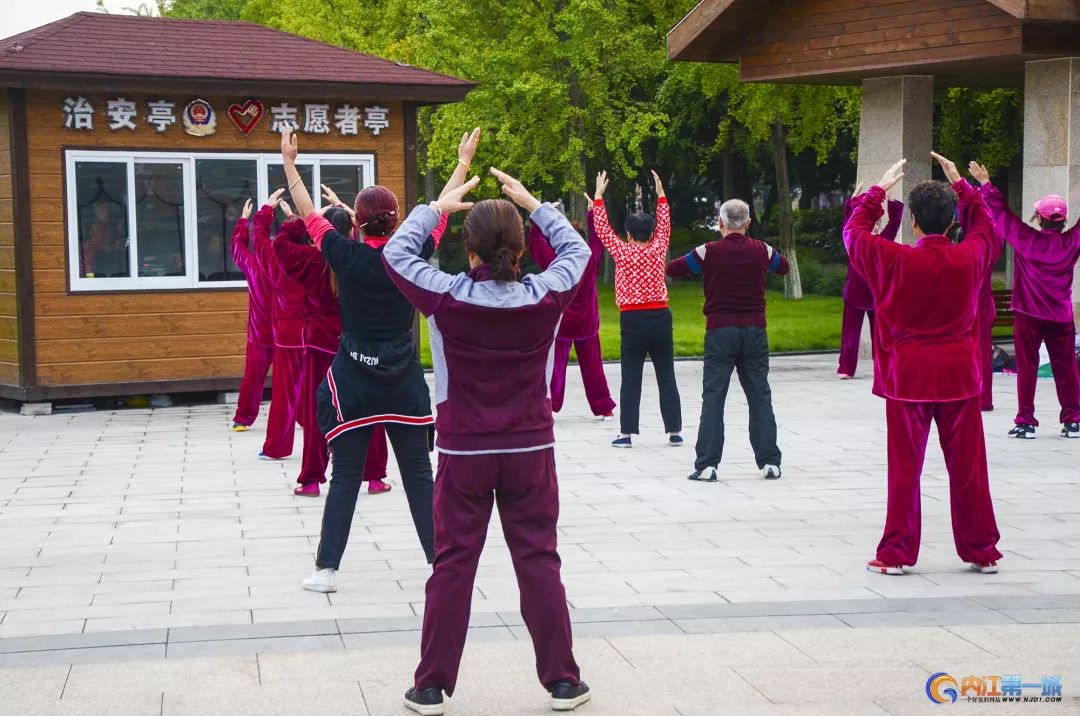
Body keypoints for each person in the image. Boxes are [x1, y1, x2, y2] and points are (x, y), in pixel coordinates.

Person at [383, 166, 591, 715]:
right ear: (522, 248)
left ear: (468, 248)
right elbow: (579, 253)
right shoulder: (544, 296)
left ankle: (430, 686)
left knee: (452, 564)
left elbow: (397, 254)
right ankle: (564, 682)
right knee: (539, 560)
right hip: (528, 450)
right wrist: (533, 203)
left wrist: (439, 205)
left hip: (464, 451)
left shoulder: (447, 297)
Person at [280, 127, 467, 590]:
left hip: (354, 378)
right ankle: (440, 564)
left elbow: (308, 216)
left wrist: (289, 164)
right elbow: (435, 218)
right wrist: (461, 163)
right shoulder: (411, 256)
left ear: (356, 223)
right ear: (397, 218)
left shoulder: (344, 255)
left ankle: (326, 570)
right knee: (420, 477)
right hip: (402, 376)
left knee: (344, 476)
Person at [844, 154, 1002, 576]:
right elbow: (988, 226)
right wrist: (965, 188)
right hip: (958, 376)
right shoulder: (969, 256)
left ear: (913, 222)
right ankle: (981, 548)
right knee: (969, 471)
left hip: (908, 377)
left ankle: (897, 552)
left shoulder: (894, 259)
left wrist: (877, 193)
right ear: (951, 223)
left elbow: (853, 234)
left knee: (904, 472)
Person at [667, 198, 789, 482]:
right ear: (748, 223)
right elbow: (782, 267)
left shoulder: (708, 251)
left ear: (720, 223)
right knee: (759, 396)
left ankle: (707, 465)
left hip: (720, 332)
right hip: (755, 332)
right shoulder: (761, 250)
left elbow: (674, 269)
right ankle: (770, 461)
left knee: (714, 397)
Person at [970, 162, 1080, 438]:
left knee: (1027, 368)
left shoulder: (1026, 239)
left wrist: (986, 183)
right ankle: (1073, 419)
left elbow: (1001, 214)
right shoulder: (1071, 243)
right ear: (1063, 221)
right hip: (1060, 316)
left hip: (1029, 315)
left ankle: (1026, 422)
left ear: (1038, 218)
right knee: (1066, 368)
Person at [592, 170, 682, 448]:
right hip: (660, 316)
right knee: (666, 373)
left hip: (631, 318)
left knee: (631, 376)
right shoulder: (658, 249)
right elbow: (665, 226)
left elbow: (602, 229)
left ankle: (627, 433)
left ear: (629, 234)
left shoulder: (622, 251)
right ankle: (674, 431)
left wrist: (598, 197)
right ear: (651, 233)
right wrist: (661, 195)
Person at [273, 203, 349, 497]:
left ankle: (312, 479)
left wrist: (303, 220)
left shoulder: (309, 260)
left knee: (317, 411)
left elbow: (279, 244)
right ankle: (373, 475)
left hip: (319, 345)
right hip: (352, 345)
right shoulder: (355, 259)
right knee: (363, 412)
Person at [527, 198, 616, 418]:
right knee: (593, 366)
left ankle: (551, 404)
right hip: (587, 321)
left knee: (556, 368)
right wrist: (592, 213)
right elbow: (598, 240)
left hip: (562, 321)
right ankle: (604, 407)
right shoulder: (590, 258)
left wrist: (541, 215)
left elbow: (536, 243)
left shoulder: (555, 261)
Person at [253, 189, 307, 460]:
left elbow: (260, 241)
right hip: (318, 335)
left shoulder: (279, 263)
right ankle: (327, 440)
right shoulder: (320, 258)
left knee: (284, 395)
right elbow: (349, 236)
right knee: (320, 390)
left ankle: (276, 447)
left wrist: (266, 211)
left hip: (287, 336)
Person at [837, 188, 903, 379]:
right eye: (872, 223)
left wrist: (892, 203)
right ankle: (846, 368)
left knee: (879, 335)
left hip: (876, 295)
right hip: (854, 293)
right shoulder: (855, 240)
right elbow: (848, 223)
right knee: (849, 333)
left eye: (877, 224)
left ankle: (881, 367)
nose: (874, 226)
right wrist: (853, 200)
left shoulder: (883, 240)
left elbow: (895, 222)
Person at [229, 199, 275, 432]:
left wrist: (243, 220)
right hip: (288, 334)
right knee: (296, 380)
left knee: (253, 377)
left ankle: (242, 418)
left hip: (260, 334)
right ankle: (303, 418)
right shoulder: (288, 267)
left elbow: (238, 247)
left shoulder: (253, 265)